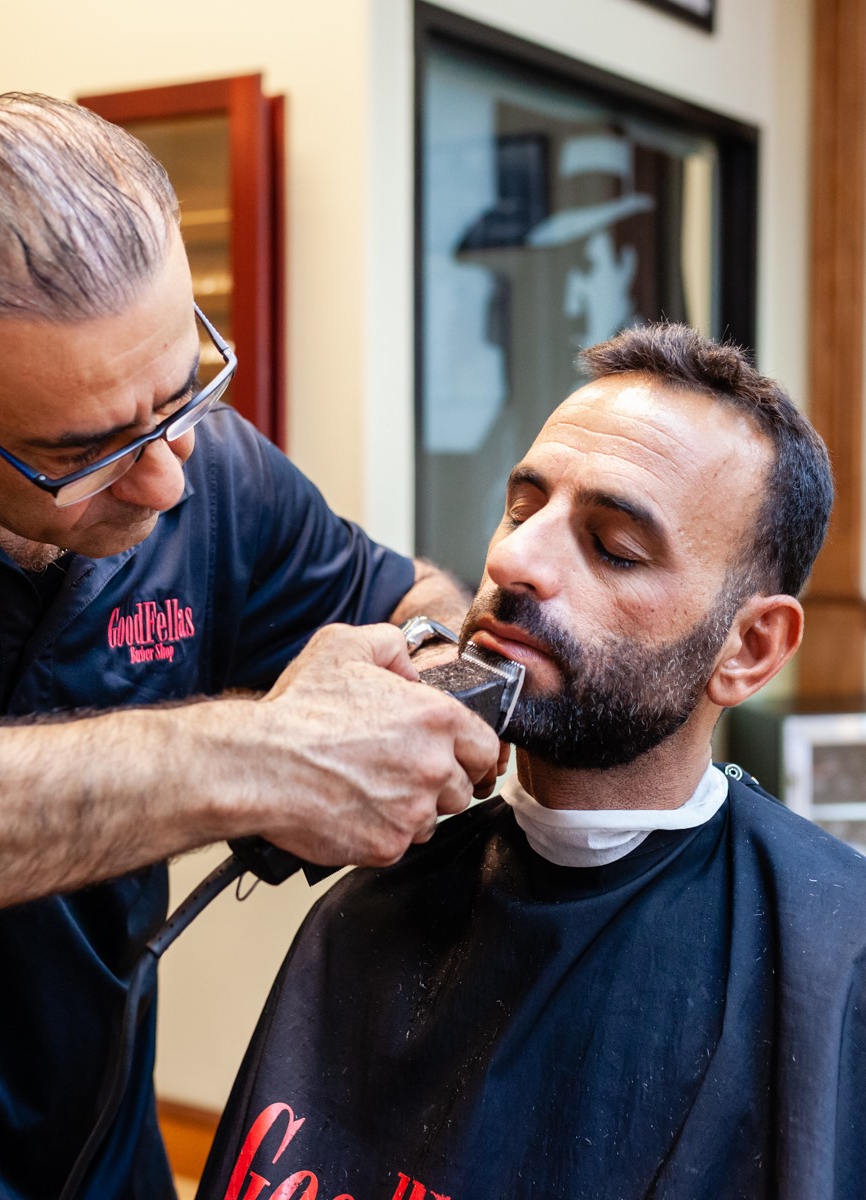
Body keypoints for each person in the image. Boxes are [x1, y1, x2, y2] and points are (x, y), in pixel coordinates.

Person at [0, 94, 503, 1200]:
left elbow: (414, 603)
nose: (164, 482)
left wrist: (420, 687)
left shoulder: (206, 465)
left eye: (183, 391)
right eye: (82, 453)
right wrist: (261, 757)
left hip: (97, 1162)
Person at [198, 324, 866, 1200]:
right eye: (521, 509)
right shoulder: (374, 903)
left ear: (748, 649)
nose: (512, 559)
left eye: (614, 547)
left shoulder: (837, 960)